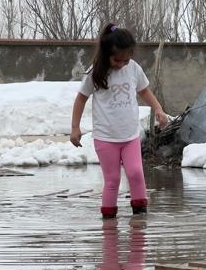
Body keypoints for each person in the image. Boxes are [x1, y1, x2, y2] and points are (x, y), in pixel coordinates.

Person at [70, 23, 168, 219]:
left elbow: (144, 91)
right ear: (106, 54)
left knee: (136, 174)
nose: (122, 64)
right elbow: (81, 98)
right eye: (117, 60)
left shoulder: (133, 68)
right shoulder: (95, 72)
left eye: (126, 59)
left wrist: (158, 108)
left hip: (130, 136)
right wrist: (75, 127)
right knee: (112, 180)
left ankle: (140, 220)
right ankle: (108, 224)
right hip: (105, 138)